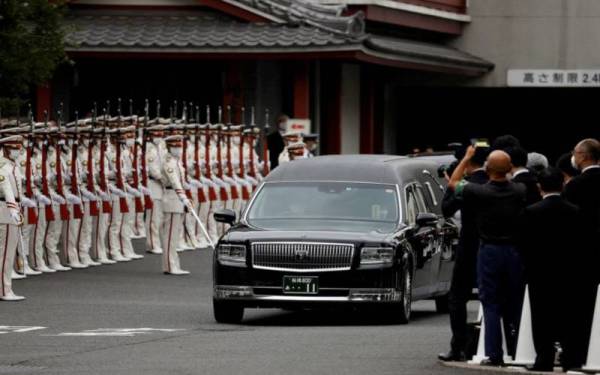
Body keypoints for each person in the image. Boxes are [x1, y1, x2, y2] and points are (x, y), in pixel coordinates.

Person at [448, 146, 526, 367]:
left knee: (490, 303)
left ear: (487, 168)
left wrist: (466, 159)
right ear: (510, 168)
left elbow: (453, 183)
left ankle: (495, 354)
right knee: (515, 301)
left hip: (489, 249)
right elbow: (511, 179)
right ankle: (517, 347)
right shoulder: (519, 190)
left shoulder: (477, 191)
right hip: (513, 250)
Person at [518, 167, 581, 372]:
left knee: (541, 317)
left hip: (540, 273)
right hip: (568, 272)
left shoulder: (531, 212)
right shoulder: (574, 211)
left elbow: (524, 244)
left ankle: (543, 359)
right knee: (568, 315)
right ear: (562, 185)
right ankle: (570, 358)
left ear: (539, 187)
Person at [439, 146, 489, 362]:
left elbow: (447, 209)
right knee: (493, 299)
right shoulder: (498, 182)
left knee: (458, 298)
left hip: (469, 247)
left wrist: (451, 183)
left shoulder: (467, 187)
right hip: (493, 245)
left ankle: (458, 345)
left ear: (466, 164)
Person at [562, 138, 600, 370]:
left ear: (583, 156)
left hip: (581, 254)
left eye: (575, 154)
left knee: (579, 307)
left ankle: (576, 355)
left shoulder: (575, 186)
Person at [0, 135, 27, 301]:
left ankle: (5, 287)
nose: (19, 151)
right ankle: (4, 290)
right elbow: (6, 190)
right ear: (7, 149)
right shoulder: (3, 167)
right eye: (15, 148)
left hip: (12, 210)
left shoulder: (12, 166)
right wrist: (13, 210)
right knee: (6, 253)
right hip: (6, 212)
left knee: (7, 251)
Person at [160, 134, 192, 275]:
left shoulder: (176, 161)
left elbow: (182, 181)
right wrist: (183, 196)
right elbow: (174, 181)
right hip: (172, 198)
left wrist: (186, 194)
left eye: (180, 146)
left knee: (174, 235)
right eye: (175, 147)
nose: (178, 149)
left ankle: (174, 264)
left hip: (177, 198)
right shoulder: (168, 162)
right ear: (169, 147)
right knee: (170, 235)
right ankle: (169, 266)